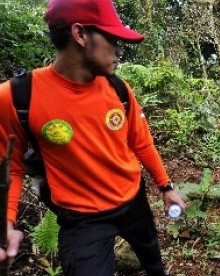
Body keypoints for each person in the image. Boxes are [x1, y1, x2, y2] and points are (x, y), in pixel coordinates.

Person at [0, 0, 186, 275]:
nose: (119, 51)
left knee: (152, 256)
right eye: (112, 39)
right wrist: (7, 222)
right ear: (80, 34)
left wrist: (166, 187)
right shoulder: (17, 97)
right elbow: (10, 168)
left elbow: (141, 142)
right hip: (82, 219)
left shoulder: (119, 89)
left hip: (132, 199)